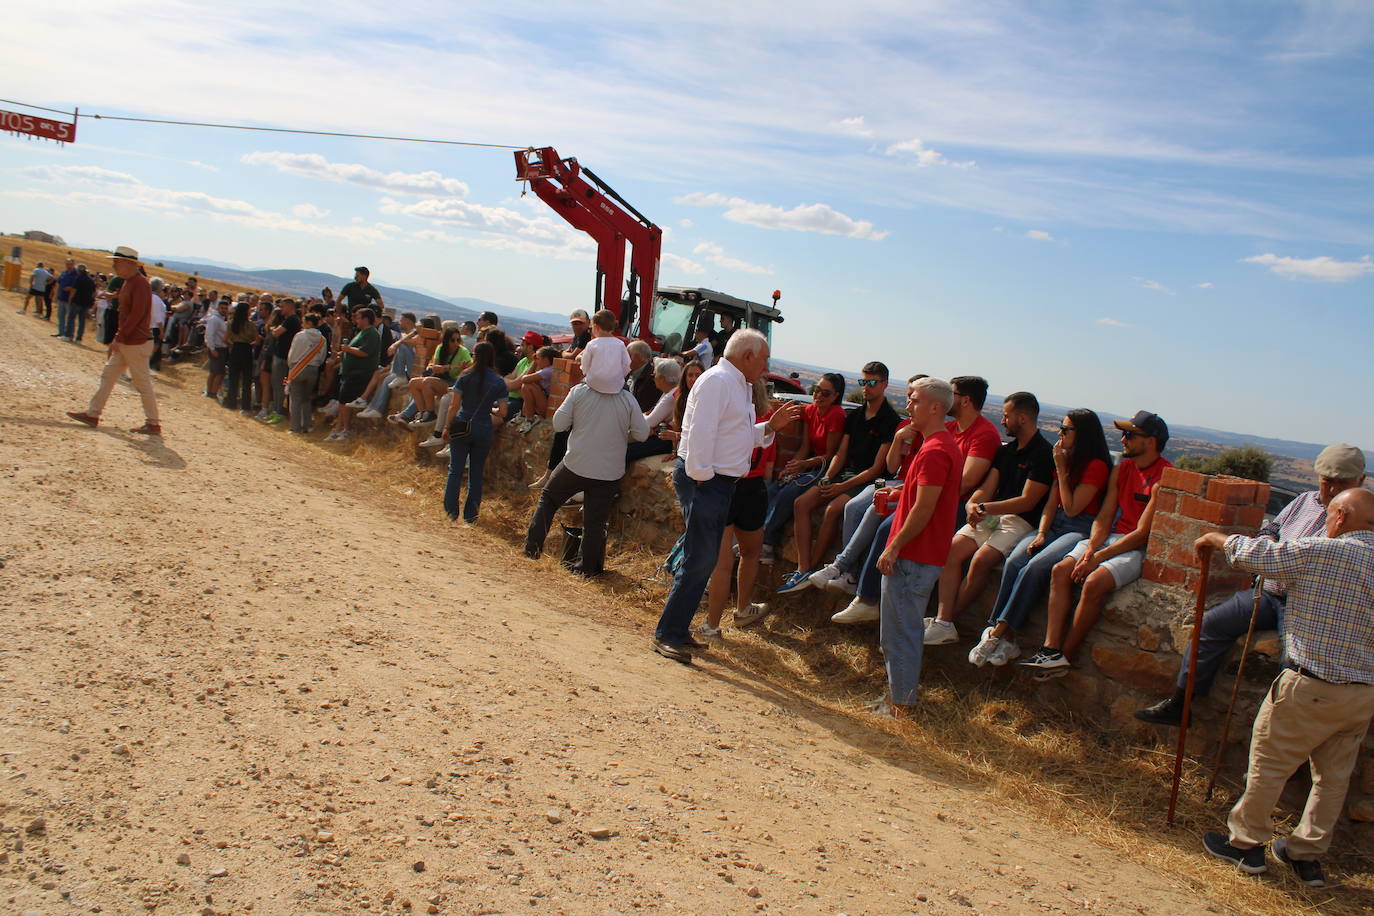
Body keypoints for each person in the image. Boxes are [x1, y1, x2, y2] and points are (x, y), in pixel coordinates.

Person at [1198, 487, 1374, 889]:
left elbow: (1258, 555)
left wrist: (1216, 538)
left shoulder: (1322, 551)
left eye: (1329, 515)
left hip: (1310, 682)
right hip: (1362, 692)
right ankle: (1306, 855)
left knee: (1270, 763)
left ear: (1341, 517)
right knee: (1333, 778)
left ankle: (1246, 845)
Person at [1136, 443, 1366, 725]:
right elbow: (1271, 528)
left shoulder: (1360, 519)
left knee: (1293, 664)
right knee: (1211, 625)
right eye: (1327, 480)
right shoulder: (1303, 501)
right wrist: (1267, 543)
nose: (1332, 489)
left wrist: (1266, 554)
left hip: (1304, 603)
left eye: (1342, 483)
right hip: (1268, 593)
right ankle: (1181, 702)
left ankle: (1280, 733)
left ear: (1360, 481)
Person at [651, 330, 801, 663]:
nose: (765, 367)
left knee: (702, 560)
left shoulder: (736, 384)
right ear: (747, 356)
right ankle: (668, 634)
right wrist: (705, 483)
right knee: (699, 560)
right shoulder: (718, 382)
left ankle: (676, 631)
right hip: (706, 481)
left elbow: (735, 435)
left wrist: (769, 427)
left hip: (716, 482)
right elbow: (700, 438)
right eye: (763, 359)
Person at [1020, 410, 1173, 677]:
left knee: (1093, 583)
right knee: (1060, 571)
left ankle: (1065, 656)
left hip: (1135, 547)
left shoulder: (1164, 478)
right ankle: (1051, 649)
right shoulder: (1122, 469)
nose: (1123, 440)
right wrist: (1091, 548)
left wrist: (1098, 557)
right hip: (1110, 537)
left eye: (1129, 435)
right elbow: (1104, 516)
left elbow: (1142, 534)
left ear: (1150, 441)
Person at [969, 409, 1112, 666]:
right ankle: (1005, 635)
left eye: (1065, 429)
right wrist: (1042, 533)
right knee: (1015, 561)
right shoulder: (1067, 460)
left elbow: (1072, 508)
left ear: (1082, 435)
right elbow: (1051, 505)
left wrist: (1062, 470)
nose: (1060, 433)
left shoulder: (1095, 466)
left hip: (1078, 527)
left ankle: (997, 632)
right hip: (1053, 524)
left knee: (1035, 567)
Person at [926, 392, 1054, 647]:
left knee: (981, 561)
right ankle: (943, 621)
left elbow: (1028, 501)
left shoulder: (1043, 454)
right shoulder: (1005, 452)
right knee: (950, 552)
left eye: (1006, 416)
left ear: (1023, 418)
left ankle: (946, 621)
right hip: (992, 514)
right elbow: (988, 486)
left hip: (1020, 520)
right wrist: (973, 504)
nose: (1003, 421)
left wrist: (984, 506)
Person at [875, 377, 964, 714]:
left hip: (914, 555)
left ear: (935, 407)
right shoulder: (938, 445)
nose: (908, 406)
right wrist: (900, 491)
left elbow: (925, 509)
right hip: (920, 553)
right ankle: (897, 698)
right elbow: (928, 497)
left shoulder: (935, 451)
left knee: (899, 633)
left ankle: (901, 705)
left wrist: (894, 546)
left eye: (914, 400)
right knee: (899, 631)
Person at [777, 362, 900, 592]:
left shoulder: (890, 420)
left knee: (833, 510)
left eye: (872, 382)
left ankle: (814, 569)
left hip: (867, 481)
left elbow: (876, 469)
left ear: (884, 384)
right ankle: (803, 568)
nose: (866, 387)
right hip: (845, 473)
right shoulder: (855, 416)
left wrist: (841, 486)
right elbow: (840, 454)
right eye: (863, 382)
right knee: (801, 503)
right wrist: (828, 478)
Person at [523, 366, 652, 575]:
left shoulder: (579, 392)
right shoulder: (627, 399)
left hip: (577, 464)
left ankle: (532, 550)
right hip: (609, 471)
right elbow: (642, 434)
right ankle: (586, 570)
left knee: (548, 499)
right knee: (595, 521)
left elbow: (559, 424)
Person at [701, 377, 776, 636]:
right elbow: (768, 468)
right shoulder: (768, 422)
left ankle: (712, 625)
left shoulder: (733, 418)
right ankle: (743, 609)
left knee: (722, 563)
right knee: (750, 553)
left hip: (727, 484)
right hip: (754, 489)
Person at [66, 246, 161, 435]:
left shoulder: (139, 284)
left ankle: (153, 423)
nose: (114, 265)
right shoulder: (131, 282)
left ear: (128, 263)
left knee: (141, 383)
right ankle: (93, 414)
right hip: (131, 341)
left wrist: (120, 337)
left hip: (135, 342)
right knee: (109, 375)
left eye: (116, 262)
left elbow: (136, 314)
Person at [759, 373, 847, 566]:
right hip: (809, 464)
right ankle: (762, 538)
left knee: (789, 493)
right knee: (773, 489)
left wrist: (803, 465)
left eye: (825, 393)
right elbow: (805, 448)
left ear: (835, 396)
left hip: (825, 469)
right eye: (816, 390)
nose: (818, 395)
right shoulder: (810, 410)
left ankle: (767, 542)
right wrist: (792, 466)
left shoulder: (836, 415)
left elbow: (830, 455)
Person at [439, 342, 510, 522]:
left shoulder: (465, 375)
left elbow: (454, 405)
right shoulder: (498, 381)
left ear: (474, 356)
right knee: (476, 473)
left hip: (462, 425)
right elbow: (503, 412)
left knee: (455, 470)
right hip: (483, 428)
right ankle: (471, 516)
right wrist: (490, 410)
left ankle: (450, 513)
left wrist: (446, 427)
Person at [325, 308, 382, 442]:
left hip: (359, 373)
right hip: (350, 372)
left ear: (366, 319)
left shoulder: (372, 333)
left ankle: (346, 429)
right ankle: (339, 429)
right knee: (342, 401)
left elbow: (365, 352)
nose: (356, 320)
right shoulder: (362, 332)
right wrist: (344, 353)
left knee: (346, 401)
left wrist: (347, 349)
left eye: (358, 318)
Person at [406, 328, 471, 428]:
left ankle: (430, 413)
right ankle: (422, 413)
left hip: (453, 383)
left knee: (427, 382)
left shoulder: (463, 351)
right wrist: (448, 367)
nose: (456, 343)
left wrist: (462, 368)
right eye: (452, 340)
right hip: (441, 379)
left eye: (458, 340)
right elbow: (435, 368)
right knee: (413, 383)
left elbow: (470, 368)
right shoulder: (440, 348)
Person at [625, 358, 683, 463]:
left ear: (662, 378)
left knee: (626, 451)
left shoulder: (670, 396)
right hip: (663, 436)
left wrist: (639, 416)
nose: (653, 377)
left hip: (666, 440)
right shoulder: (671, 391)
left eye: (654, 374)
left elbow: (648, 422)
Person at [285, 313, 327, 434]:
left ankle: (295, 427)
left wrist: (291, 366)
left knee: (295, 398)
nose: (302, 324)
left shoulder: (300, 336)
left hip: (298, 368)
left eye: (303, 322)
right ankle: (307, 425)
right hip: (313, 369)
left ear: (308, 323)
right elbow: (322, 357)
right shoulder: (322, 339)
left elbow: (292, 354)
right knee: (306, 398)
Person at [579, 308, 632, 395]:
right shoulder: (620, 344)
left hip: (593, 383)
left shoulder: (591, 344)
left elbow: (585, 366)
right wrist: (618, 377)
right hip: (616, 386)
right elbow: (627, 365)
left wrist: (588, 374)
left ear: (596, 327)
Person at [266, 298, 301, 423]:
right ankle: (276, 410)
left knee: (279, 385)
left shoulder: (291, 319)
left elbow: (276, 333)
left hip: (282, 357)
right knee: (277, 385)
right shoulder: (292, 319)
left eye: (283, 306)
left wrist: (272, 329)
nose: (281, 309)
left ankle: (279, 412)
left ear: (290, 307)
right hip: (283, 357)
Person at [223, 299, 259, 412]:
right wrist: (250, 345)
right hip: (246, 350)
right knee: (246, 380)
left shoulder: (231, 323)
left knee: (233, 378)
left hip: (235, 349)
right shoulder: (251, 325)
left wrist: (233, 345)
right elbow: (257, 340)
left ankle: (231, 403)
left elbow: (225, 339)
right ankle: (245, 406)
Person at [512, 346, 558, 431]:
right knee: (526, 386)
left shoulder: (548, 370)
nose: (535, 360)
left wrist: (534, 363)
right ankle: (524, 415)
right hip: (544, 402)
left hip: (548, 407)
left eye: (537, 358)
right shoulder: (546, 369)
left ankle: (529, 418)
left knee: (527, 386)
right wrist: (535, 362)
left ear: (546, 359)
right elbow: (527, 378)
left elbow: (524, 379)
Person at [64, 263, 96, 343]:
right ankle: (79, 339)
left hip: (76, 302)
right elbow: (94, 293)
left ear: (78, 271)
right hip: (86, 303)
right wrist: (91, 302)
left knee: (71, 318)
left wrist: (70, 299)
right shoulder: (91, 280)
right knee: (82, 321)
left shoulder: (78, 278)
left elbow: (74, 290)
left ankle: (69, 336)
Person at [626, 340, 658, 412]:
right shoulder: (627, 372)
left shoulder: (652, 378)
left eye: (629, 355)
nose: (625, 358)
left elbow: (643, 407)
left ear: (641, 357)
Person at [52, 258, 77, 341]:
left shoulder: (76, 274)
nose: (69, 266)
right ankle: (61, 332)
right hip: (61, 297)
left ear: (73, 264)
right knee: (60, 316)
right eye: (67, 264)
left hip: (70, 300)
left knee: (70, 318)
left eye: (70, 264)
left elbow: (78, 287)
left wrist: (71, 288)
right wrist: (56, 295)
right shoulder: (63, 273)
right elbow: (58, 284)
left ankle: (69, 335)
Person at [147, 277, 168, 372]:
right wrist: (162, 331)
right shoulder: (155, 299)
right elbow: (157, 316)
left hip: (150, 325)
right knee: (153, 348)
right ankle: (146, 366)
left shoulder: (150, 296)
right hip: (155, 327)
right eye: (161, 285)